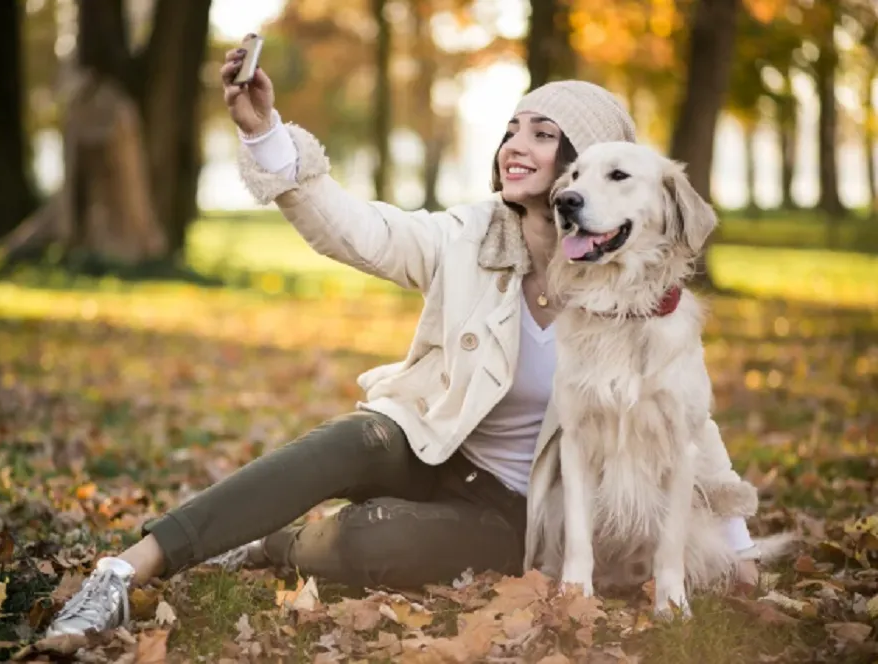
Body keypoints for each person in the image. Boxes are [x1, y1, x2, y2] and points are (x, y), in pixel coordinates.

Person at [45, 36, 762, 638]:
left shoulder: (628, 292)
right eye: (513, 129)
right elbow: (359, 230)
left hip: (513, 509)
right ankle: (123, 571)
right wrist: (265, 134)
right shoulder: (468, 236)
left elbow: (688, 418)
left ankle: (275, 544)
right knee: (351, 438)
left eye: (544, 135)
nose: (516, 146)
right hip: (433, 446)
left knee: (372, 539)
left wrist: (737, 546)